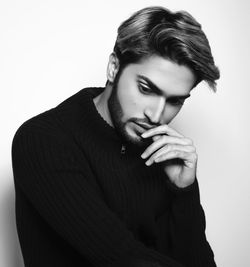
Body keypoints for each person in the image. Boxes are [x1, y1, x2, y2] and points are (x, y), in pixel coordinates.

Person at [11, 6, 220, 267]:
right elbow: (123, 259)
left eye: (175, 101)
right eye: (146, 88)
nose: (156, 115)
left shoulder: (165, 154)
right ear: (113, 68)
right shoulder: (43, 140)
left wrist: (183, 191)